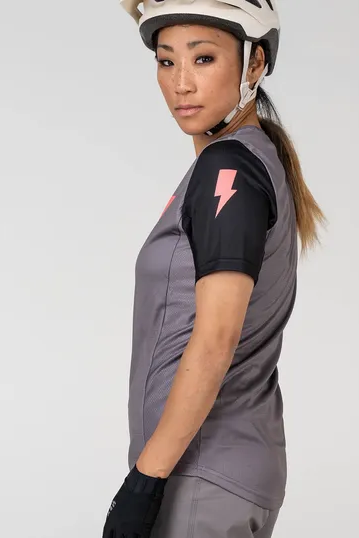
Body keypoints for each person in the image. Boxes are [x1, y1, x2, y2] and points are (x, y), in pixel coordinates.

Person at [102, 1, 326, 537]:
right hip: (216, 471)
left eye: (203, 59)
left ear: (254, 63)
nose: (181, 83)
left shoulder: (229, 168)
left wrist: (145, 481)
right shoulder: (249, 158)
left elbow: (216, 339)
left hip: (199, 475)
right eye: (166, 61)